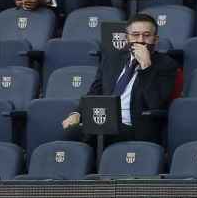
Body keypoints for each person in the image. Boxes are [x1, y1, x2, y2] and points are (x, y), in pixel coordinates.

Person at [62, 14, 178, 144]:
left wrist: (146, 68)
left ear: (155, 39)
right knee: (70, 131)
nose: (140, 40)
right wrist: (77, 114)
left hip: (135, 127)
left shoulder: (166, 65)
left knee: (94, 133)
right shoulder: (112, 59)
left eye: (146, 35)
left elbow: (156, 104)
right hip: (104, 120)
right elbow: (95, 92)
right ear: (127, 38)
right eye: (135, 35)